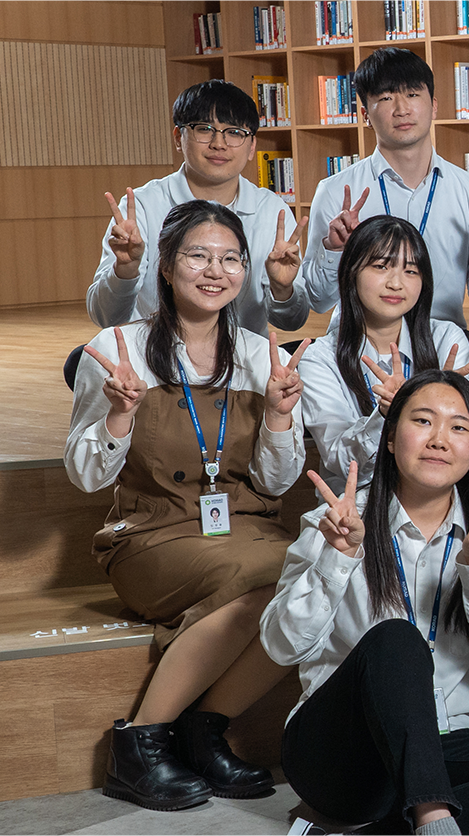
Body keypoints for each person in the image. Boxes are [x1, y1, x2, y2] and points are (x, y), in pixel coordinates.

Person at [66, 200, 307, 811]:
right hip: (150, 538)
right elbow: (85, 476)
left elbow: (277, 483)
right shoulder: (118, 347)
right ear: (167, 266)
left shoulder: (263, 356)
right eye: (198, 256)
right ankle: (139, 741)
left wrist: (280, 417)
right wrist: (120, 414)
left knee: (317, 574)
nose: (214, 271)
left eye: (231, 259)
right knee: (266, 575)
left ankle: (204, 730)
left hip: (245, 527)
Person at [264, 370, 469, 836]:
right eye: (423, 421)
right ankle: (431, 815)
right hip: (343, 752)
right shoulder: (336, 523)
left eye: (459, 427)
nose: (439, 439)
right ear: (390, 439)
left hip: (448, 739)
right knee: (396, 640)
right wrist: (337, 559)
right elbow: (281, 647)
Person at [301, 47, 469, 329]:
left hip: (441, 344)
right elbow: (318, 300)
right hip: (360, 344)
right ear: (365, 114)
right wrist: (334, 249)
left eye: (412, 95)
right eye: (386, 98)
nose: (402, 110)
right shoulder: (335, 192)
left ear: (434, 105)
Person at [91, 80, 308, 337]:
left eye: (234, 132)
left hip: (242, 358)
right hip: (155, 354)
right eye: (204, 129)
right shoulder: (142, 206)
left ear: (252, 147)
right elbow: (105, 316)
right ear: (178, 138)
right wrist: (125, 272)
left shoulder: (272, 211)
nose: (219, 143)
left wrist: (282, 289)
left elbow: (292, 322)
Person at [297, 216, 469, 497]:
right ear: (351, 271)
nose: (396, 283)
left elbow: (466, 443)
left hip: (435, 500)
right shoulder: (320, 358)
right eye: (381, 266)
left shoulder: (446, 341)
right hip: (355, 506)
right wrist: (385, 414)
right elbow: (340, 460)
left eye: (411, 271)